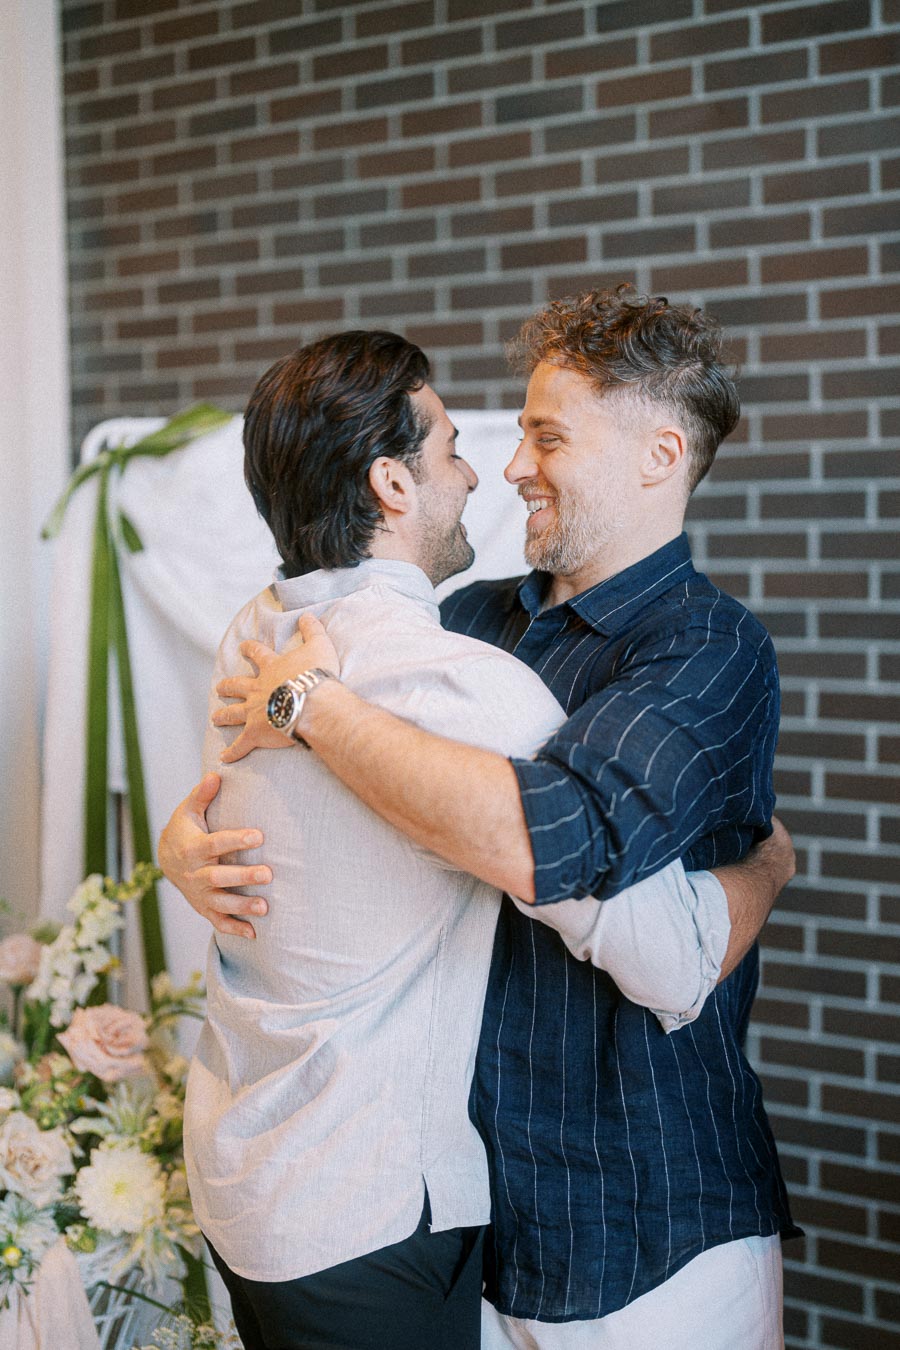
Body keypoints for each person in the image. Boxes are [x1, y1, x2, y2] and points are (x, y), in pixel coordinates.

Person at [163, 293, 798, 1349]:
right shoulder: (459, 622)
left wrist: (314, 707)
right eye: (501, 436)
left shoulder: (713, 650)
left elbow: (560, 842)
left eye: (547, 437)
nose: (509, 468)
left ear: (659, 455)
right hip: (464, 1216)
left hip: (643, 1221)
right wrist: (186, 844)